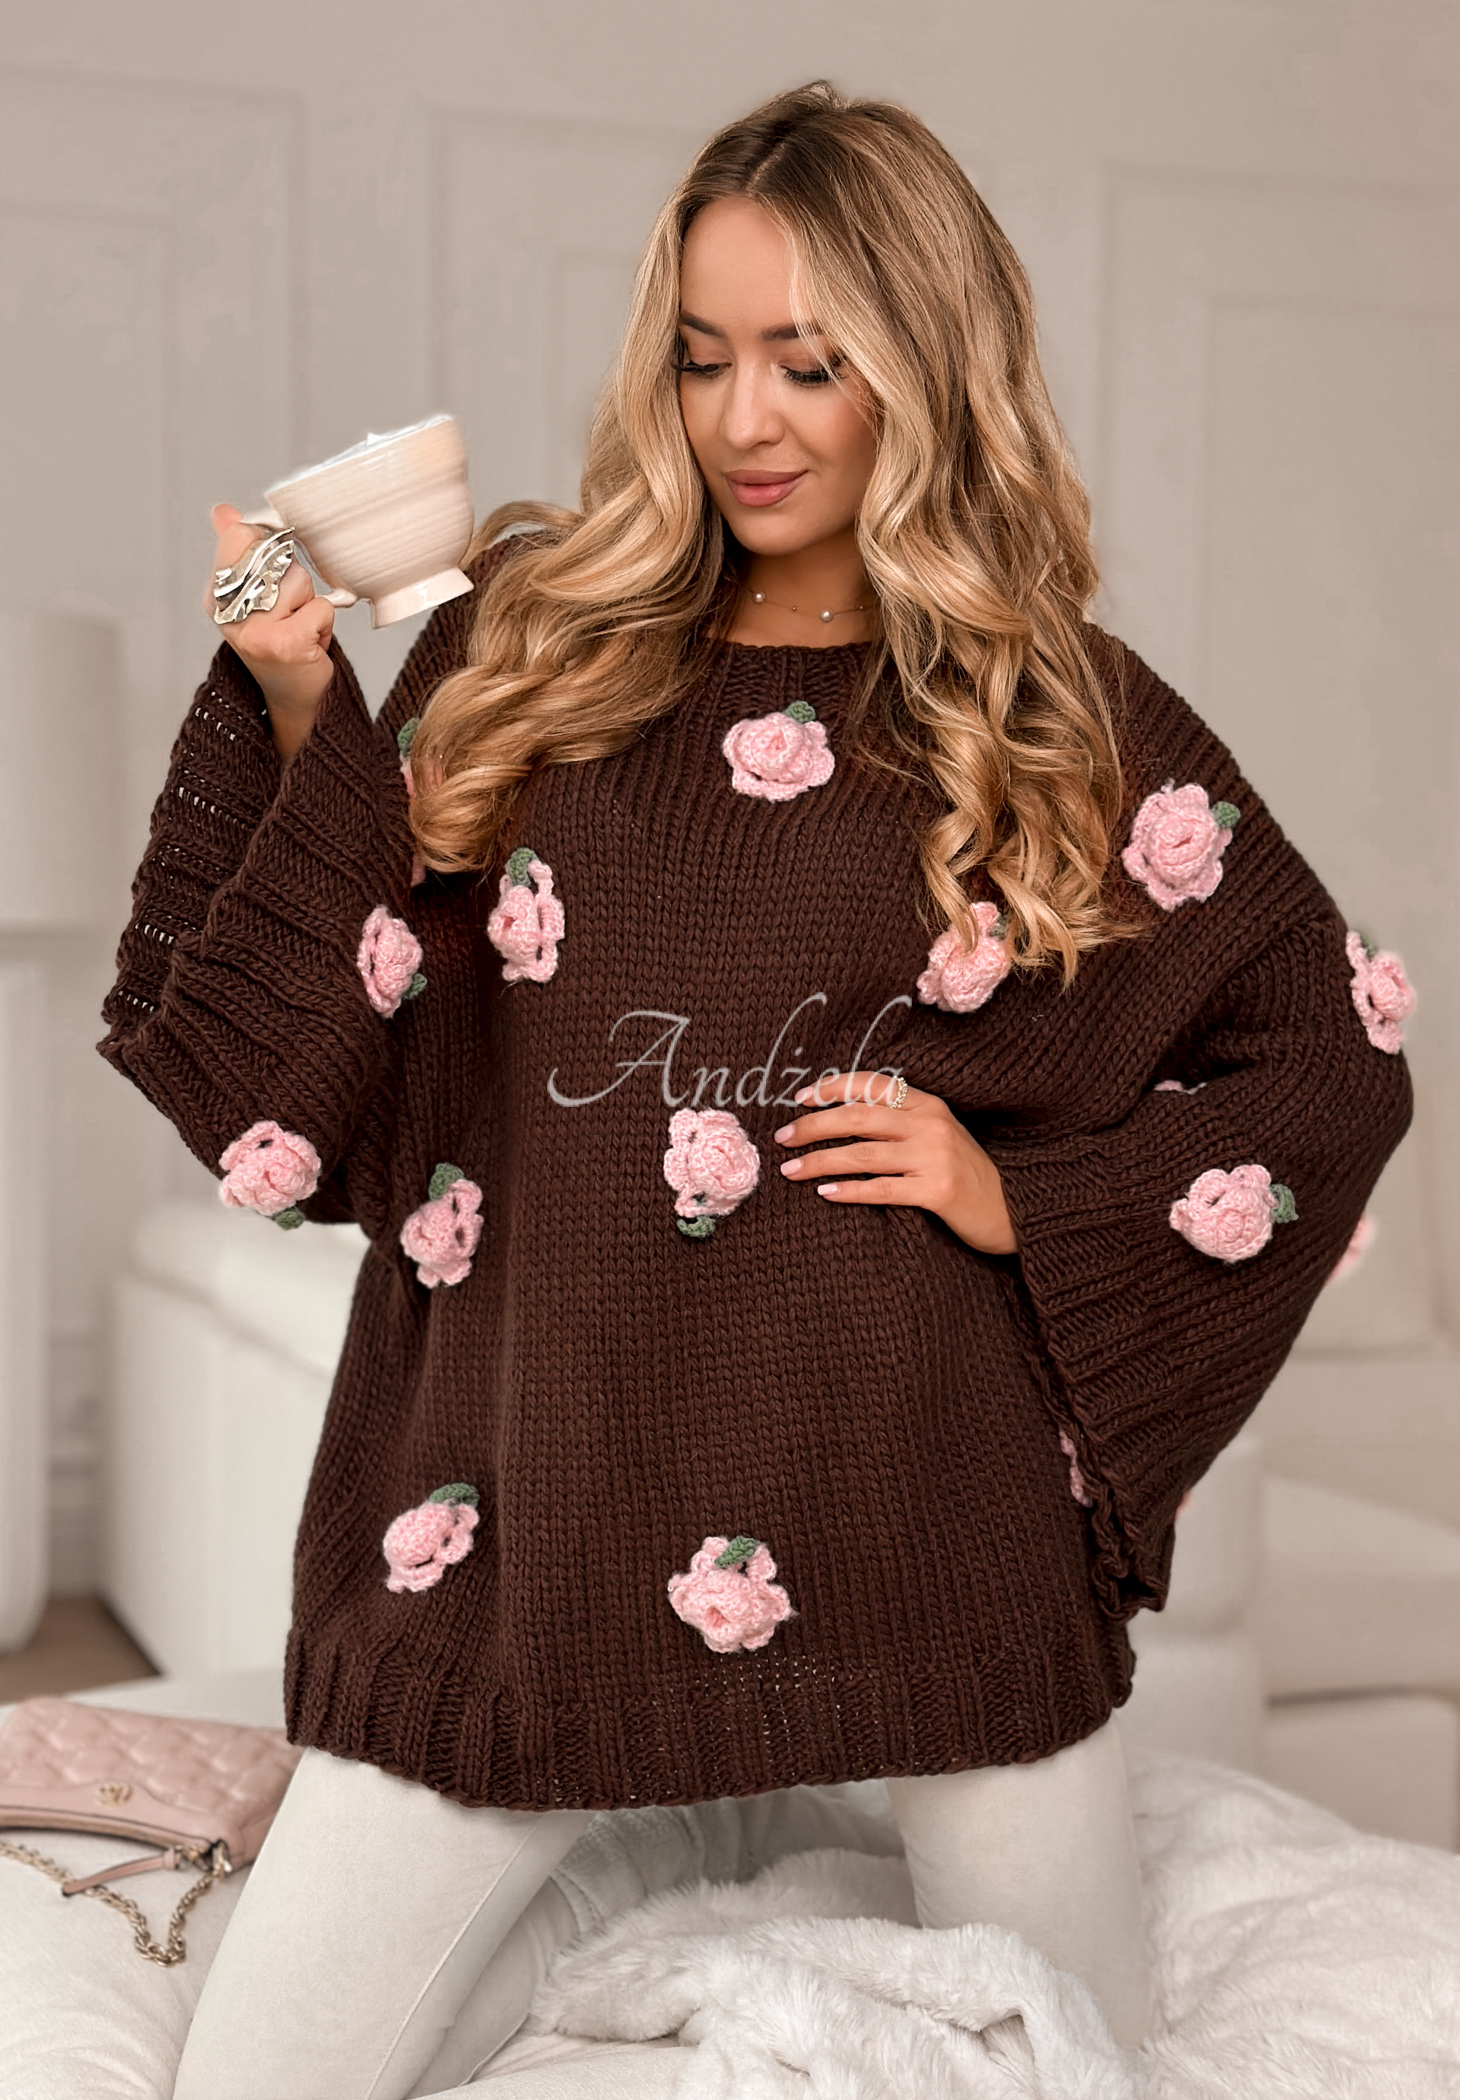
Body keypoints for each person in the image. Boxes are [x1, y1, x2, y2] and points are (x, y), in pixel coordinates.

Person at [99, 81, 1412, 2096]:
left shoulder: (1049, 708)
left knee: (1081, 2064)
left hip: (935, 1519)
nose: (745, 419)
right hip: (531, 1530)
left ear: (924, 368)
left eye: (809, 361)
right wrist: (295, 696)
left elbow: (1326, 1050)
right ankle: (646, 1883)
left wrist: (1016, 1194)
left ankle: (720, 1884)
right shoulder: (537, 643)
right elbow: (343, 1046)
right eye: (703, 358)